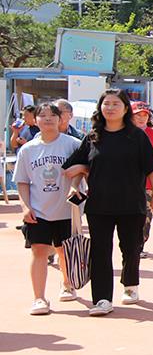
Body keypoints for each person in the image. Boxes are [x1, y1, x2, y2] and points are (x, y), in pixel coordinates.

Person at [63, 90, 153, 315]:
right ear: (100, 108)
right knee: (100, 251)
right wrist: (79, 174)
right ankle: (101, 300)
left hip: (131, 202)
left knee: (130, 248)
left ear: (125, 108)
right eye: (105, 104)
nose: (110, 108)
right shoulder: (92, 137)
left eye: (115, 104)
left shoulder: (136, 136)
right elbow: (72, 167)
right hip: (99, 204)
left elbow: (151, 168)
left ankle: (130, 286)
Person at [15, 101, 82, 314]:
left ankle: (67, 284)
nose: (47, 119)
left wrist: (75, 184)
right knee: (39, 250)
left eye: (52, 115)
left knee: (64, 250)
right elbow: (22, 181)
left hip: (66, 208)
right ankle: (39, 298)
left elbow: (83, 169)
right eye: (42, 115)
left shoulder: (72, 144)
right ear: (35, 121)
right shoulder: (28, 149)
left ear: (60, 119)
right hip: (39, 209)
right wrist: (25, 207)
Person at [132, 101, 153, 256]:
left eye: (144, 115)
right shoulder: (123, 133)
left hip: (147, 184)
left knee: (145, 216)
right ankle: (130, 245)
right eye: (137, 115)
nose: (141, 118)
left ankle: (140, 245)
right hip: (128, 185)